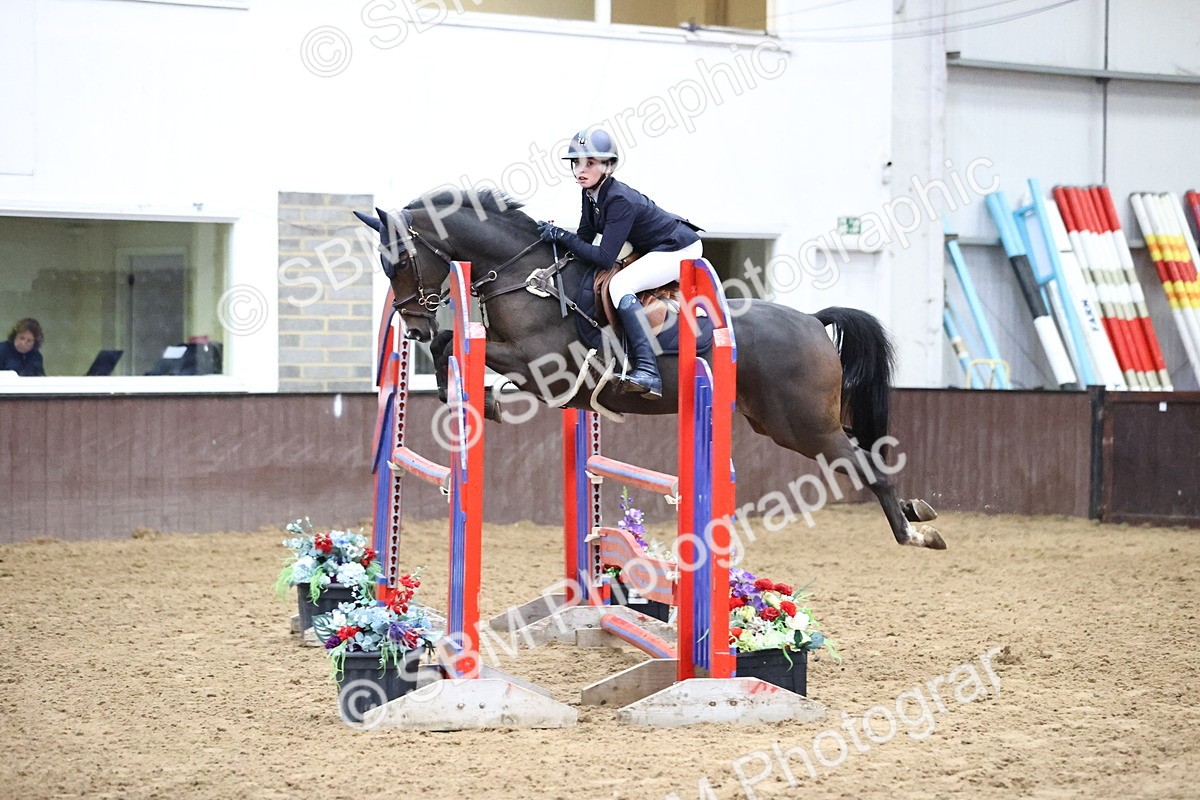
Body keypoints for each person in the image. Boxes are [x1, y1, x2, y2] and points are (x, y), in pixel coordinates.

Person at [538, 127, 702, 399]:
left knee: (620, 285)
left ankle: (649, 371)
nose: (581, 169)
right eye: (576, 163)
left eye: (590, 163)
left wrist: (563, 236)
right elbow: (584, 239)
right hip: (655, 247)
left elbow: (603, 256)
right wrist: (555, 240)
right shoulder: (590, 193)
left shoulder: (618, 199)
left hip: (679, 249)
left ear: (608, 166)